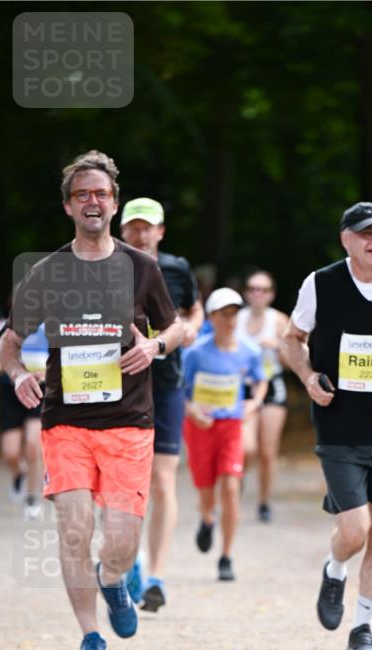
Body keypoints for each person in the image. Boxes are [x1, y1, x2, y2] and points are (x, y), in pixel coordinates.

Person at [0, 150, 181, 650]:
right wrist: (18, 375)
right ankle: (90, 636)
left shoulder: (141, 267)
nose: (92, 202)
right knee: (75, 528)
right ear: (68, 206)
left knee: (121, 542)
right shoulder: (48, 272)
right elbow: (9, 342)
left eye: (101, 193)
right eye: (82, 195)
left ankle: (113, 579)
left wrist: (154, 347)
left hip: (129, 422)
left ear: (115, 203)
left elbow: (175, 328)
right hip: (66, 422)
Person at [280, 201, 372, 650]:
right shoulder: (321, 283)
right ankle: (335, 566)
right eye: (366, 232)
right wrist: (308, 377)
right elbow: (291, 339)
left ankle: (362, 627)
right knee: (356, 530)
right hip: (339, 426)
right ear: (346, 239)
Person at [120, 197, 204, 612]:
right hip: (119, 386)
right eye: (133, 227)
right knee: (127, 480)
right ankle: (131, 558)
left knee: (164, 479)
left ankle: (155, 575)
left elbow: (194, 310)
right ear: (122, 231)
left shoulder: (176, 268)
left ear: (161, 231)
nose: (141, 234)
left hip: (167, 384)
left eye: (147, 226)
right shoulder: (105, 268)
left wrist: (189, 329)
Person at [182, 287, 267, 582]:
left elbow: (260, 381)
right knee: (206, 492)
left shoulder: (250, 350)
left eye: (234, 314)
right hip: (200, 427)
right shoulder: (195, 352)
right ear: (211, 317)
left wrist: (255, 403)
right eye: (224, 314)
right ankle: (207, 518)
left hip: (231, 426)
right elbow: (182, 390)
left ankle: (226, 556)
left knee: (231, 487)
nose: (230, 320)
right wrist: (192, 410)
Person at [237, 270, 290, 522]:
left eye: (263, 289)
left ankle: (264, 502)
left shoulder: (278, 320)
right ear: (246, 293)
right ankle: (234, 492)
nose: (257, 293)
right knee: (245, 449)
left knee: (268, 452)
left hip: (272, 385)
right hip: (243, 387)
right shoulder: (236, 318)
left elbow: (295, 360)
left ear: (271, 294)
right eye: (253, 288)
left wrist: (278, 347)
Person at [0, 323, 48, 518]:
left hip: (39, 389)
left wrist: (41, 373)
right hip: (11, 391)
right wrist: (16, 371)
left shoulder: (49, 326)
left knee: (33, 445)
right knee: (10, 453)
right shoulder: (4, 328)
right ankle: (18, 474)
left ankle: (32, 498)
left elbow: (57, 361)